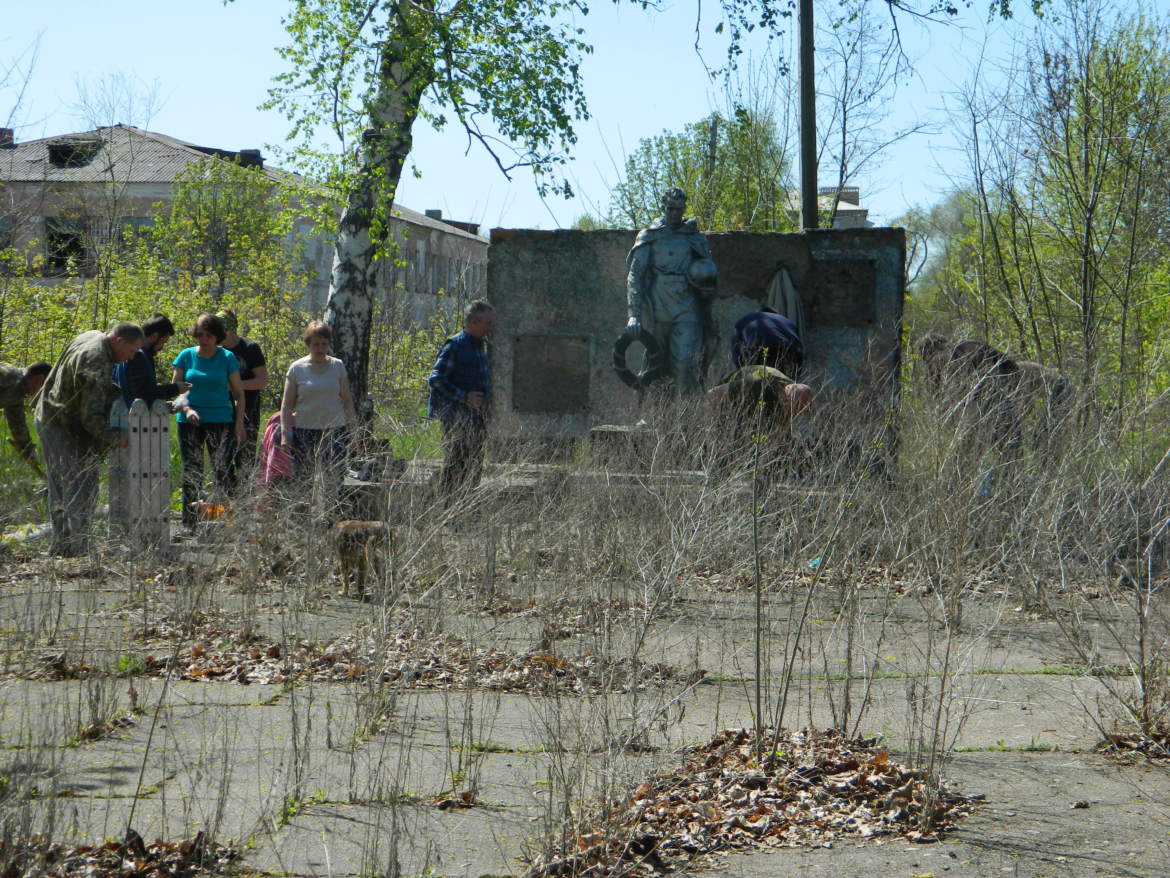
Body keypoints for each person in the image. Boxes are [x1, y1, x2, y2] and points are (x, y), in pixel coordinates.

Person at [35, 323, 145, 555]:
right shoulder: (97, 360)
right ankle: (77, 546)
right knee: (80, 484)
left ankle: (65, 545)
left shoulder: (93, 335)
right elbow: (90, 417)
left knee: (66, 484)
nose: (130, 358)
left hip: (51, 413)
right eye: (132, 351)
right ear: (119, 341)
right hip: (60, 423)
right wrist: (116, 438)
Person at [625, 188, 717, 396]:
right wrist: (634, 315)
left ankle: (684, 421)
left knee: (685, 361)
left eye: (678, 209)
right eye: (670, 208)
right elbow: (635, 276)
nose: (674, 213)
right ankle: (652, 415)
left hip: (687, 306)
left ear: (684, 209)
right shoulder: (650, 236)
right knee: (655, 363)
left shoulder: (694, 237)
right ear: (663, 208)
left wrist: (706, 288)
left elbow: (708, 272)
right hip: (657, 306)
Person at [171, 313, 246, 529]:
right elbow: (175, 390)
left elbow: (239, 394)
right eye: (201, 335)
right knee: (192, 471)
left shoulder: (227, 358)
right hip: (189, 421)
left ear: (217, 336)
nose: (204, 339)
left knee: (222, 470)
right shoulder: (186, 356)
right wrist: (186, 409)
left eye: (210, 335)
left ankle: (223, 521)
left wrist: (239, 424)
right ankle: (189, 523)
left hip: (221, 419)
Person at [428, 300, 494, 502]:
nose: (491, 328)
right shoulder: (455, 345)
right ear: (474, 322)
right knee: (456, 466)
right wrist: (464, 397)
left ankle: (465, 511)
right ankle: (448, 513)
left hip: (477, 419)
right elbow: (436, 378)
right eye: (488, 323)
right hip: (457, 419)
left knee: (474, 467)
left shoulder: (480, 345)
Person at [280, 321, 356, 479]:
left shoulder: (338, 366)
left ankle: (332, 504)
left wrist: (353, 430)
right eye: (316, 344)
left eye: (324, 344)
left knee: (334, 477)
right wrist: (285, 435)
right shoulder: (296, 368)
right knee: (303, 478)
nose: (320, 348)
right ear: (308, 344)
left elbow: (347, 400)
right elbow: (287, 405)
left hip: (335, 430)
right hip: (304, 431)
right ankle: (306, 505)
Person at [217, 309, 268, 479]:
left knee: (244, 458)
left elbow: (262, 380)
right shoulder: (214, 351)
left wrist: (236, 386)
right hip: (220, 411)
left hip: (248, 412)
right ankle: (224, 498)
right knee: (222, 459)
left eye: (221, 332)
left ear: (230, 330)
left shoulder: (250, 348)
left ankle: (245, 499)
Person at [113, 313, 189, 407]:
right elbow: (141, 394)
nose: (162, 347)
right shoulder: (138, 356)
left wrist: (163, 405)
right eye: (163, 342)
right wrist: (175, 389)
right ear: (154, 336)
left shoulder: (132, 353)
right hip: (130, 418)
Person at [0, 360, 51, 475]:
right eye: (45, 386)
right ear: (39, 379)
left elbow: (17, 425)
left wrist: (27, 449)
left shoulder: (17, 394)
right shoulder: (10, 375)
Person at [731, 307, 804, 377]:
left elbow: (736, 350)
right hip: (784, 351)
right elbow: (797, 349)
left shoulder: (746, 319)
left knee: (757, 381)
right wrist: (795, 376)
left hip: (756, 349)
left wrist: (741, 369)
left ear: (758, 313)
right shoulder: (787, 322)